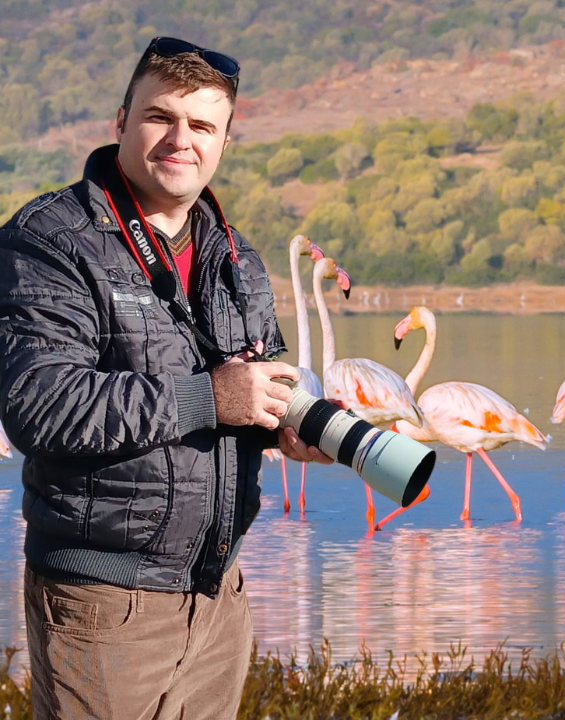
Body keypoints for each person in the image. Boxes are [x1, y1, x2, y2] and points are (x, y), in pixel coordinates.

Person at [0, 37, 333, 719]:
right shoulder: (51, 241)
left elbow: (247, 398)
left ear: (225, 141)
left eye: (203, 125)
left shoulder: (236, 258)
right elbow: (42, 407)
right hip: (102, 603)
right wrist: (210, 395)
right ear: (120, 121)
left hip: (218, 599)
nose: (181, 140)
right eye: (161, 118)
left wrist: (287, 430)